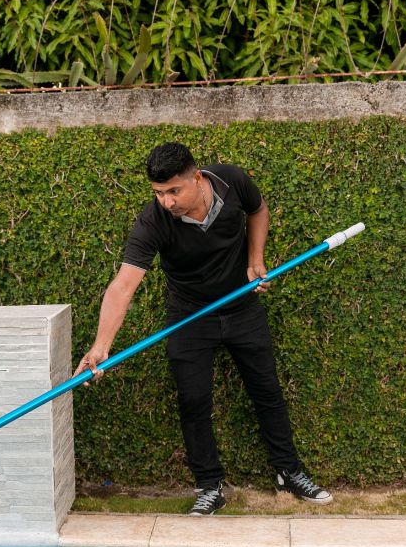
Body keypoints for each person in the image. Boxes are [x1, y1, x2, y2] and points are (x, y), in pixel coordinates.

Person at [75, 142, 333, 516]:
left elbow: (258, 210)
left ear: (196, 178)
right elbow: (123, 286)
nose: (167, 202)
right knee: (193, 402)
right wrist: (101, 347)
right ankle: (209, 486)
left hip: (242, 307)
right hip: (189, 317)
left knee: (267, 390)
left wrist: (255, 260)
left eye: (173, 191)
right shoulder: (154, 221)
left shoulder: (231, 181)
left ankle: (288, 471)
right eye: (158, 193)